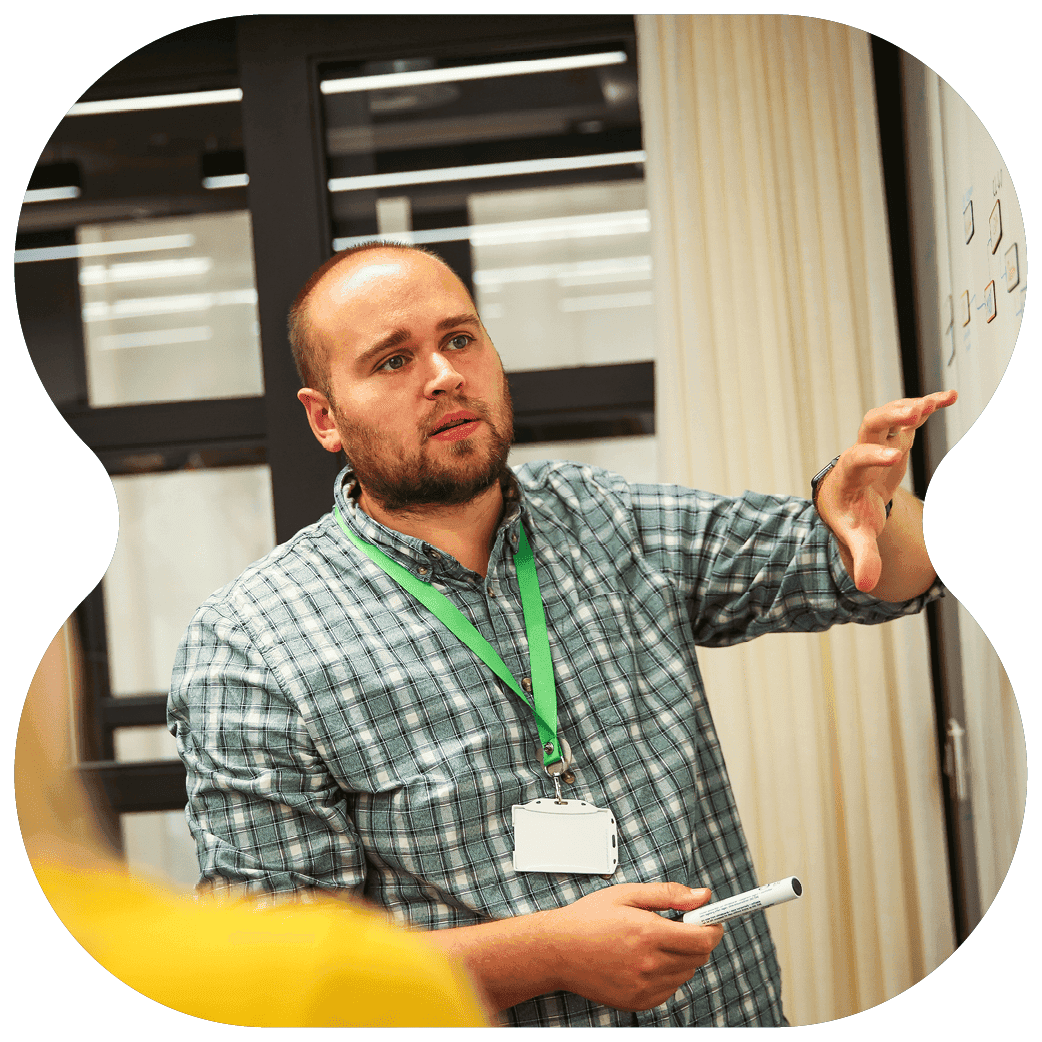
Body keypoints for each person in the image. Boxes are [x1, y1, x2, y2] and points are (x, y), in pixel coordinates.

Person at [168, 242, 955, 1027]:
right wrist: (549, 953)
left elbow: (871, 570)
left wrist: (865, 508)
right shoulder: (252, 647)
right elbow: (281, 975)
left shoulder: (606, 521)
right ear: (324, 418)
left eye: (459, 339)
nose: (444, 375)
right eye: (392, 361)